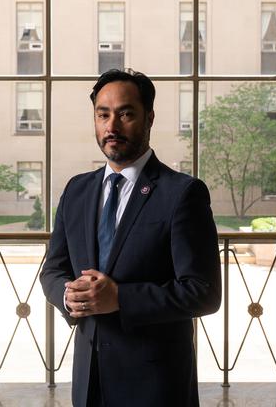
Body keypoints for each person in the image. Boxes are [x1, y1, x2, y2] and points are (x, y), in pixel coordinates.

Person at [40, 69, 222, 407]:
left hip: (155, 385)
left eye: (125, 113)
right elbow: (52, 270)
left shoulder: (182, 194)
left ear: (148, 118)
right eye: (103, 114)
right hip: (88, 380)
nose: (112, 126)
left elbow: (204, 292)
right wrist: (69, 298)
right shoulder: (76, 191)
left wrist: (120, 297)